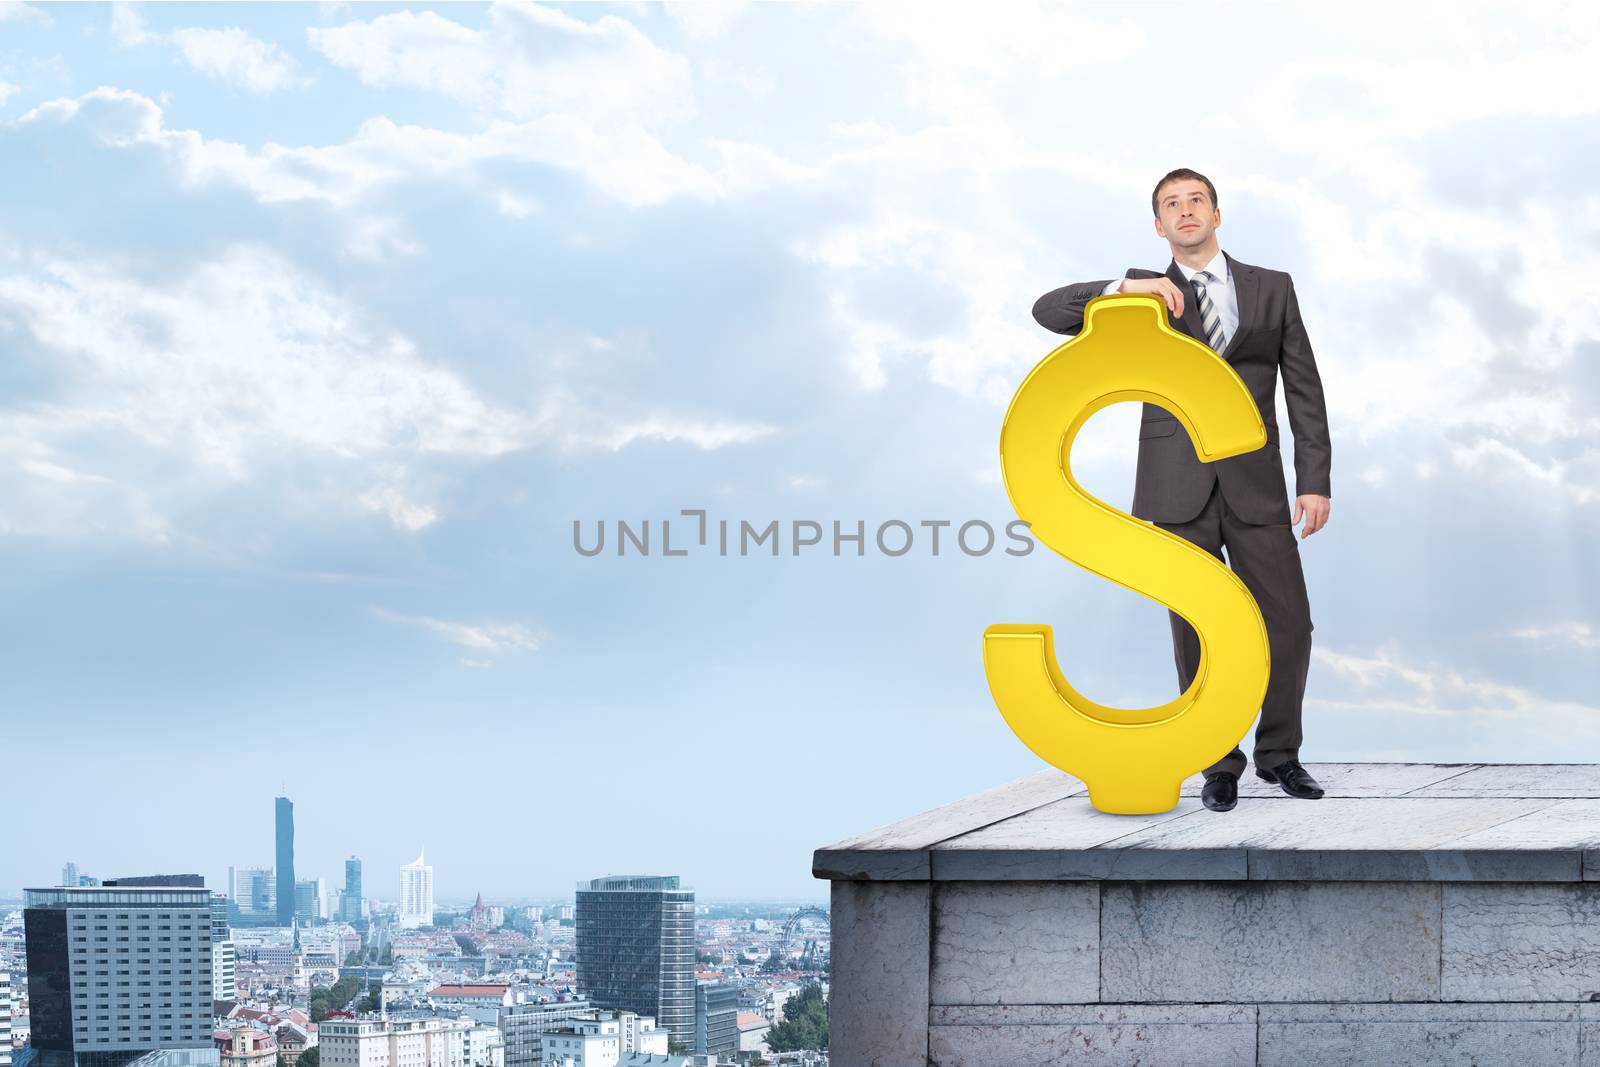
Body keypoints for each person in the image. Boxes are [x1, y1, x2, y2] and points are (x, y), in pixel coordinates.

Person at [1030, 167, 1332, 813]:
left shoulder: (1272, 287)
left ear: (1217, 215)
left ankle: (1279, 756)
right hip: (1175, 482)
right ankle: (1217, 763)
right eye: (1172, 204)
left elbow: (1303, 385)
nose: (1186, 210)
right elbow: (1047, 311)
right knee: (1197, 626)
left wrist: (1314, 481)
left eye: (1196, 200)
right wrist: (1122, 286)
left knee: (1290, 624)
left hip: (1256, 482)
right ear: (1159, 225)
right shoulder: (1141, 294)